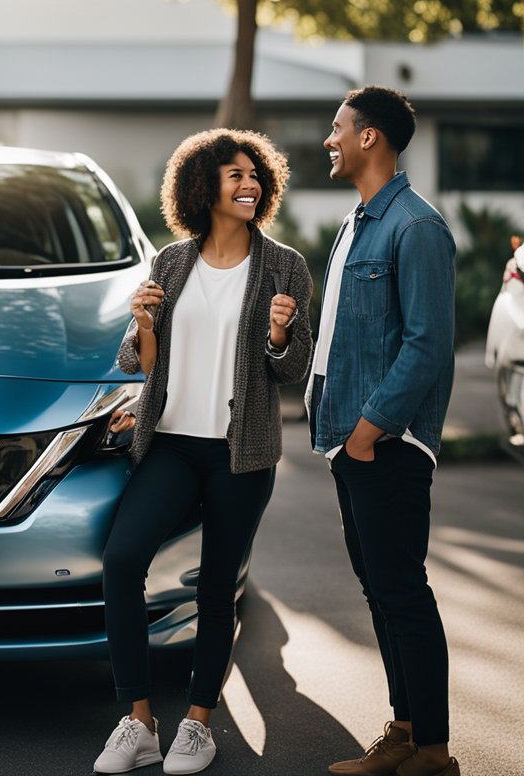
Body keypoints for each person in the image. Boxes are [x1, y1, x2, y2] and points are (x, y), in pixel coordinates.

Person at [93, 129, 312, 775]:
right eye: (234, 176)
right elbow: (140, 363)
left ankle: (197, 723)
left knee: (218, 589)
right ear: (202, 188)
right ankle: (137, 722)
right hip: (171, 444)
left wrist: (278, 332)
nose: (249, 184)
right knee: (122, 560)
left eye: (255, 175)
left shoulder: (285, 266)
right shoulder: (171, 262)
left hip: (240, 452)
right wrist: (142, 326)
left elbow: (293, 368)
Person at [310, 86, 458, 776]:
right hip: (351, 439)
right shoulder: (359, 223)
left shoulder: (415, 227)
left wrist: (371, 431)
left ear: (371, 137)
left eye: (338, 128)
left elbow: (428, 345)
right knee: (382, 589)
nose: (329, 139)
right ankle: (404, 731)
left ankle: (432, 750)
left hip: (385, 443)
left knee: (402, 590)